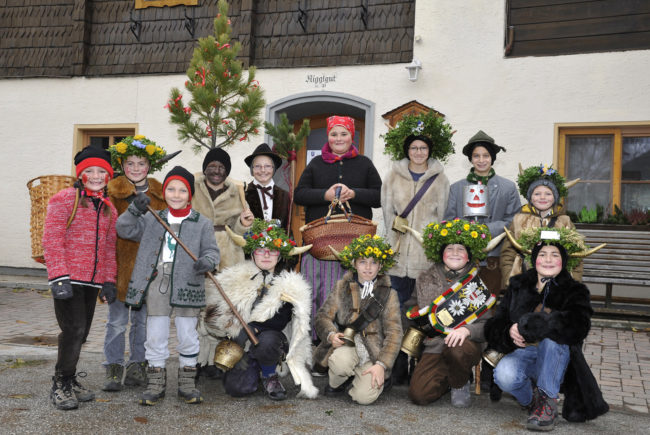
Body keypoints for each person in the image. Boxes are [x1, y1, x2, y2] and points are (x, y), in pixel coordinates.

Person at [485, 227, 608, 431]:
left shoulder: (574, 290)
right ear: (534, 259)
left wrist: (539, 324)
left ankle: (548, 402)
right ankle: (534, 402)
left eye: (555, 255)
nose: (548, 260)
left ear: (563, 260)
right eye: (542, 254)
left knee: (553, 340)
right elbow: (494, 324)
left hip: (557, 359)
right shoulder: (518, 285)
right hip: (523, 352)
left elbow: (579, 326)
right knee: (504, 375)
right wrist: (509, 331)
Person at [117, 166, 219, 406]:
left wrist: (209, 261)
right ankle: (156, 382)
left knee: (187, 334)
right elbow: (124, 229)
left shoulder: (201, 222)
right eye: (171, 189)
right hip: (157, 283)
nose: (176, 194)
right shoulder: (153, 217)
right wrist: (133, 210)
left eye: (182, 190)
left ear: (189, 194)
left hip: (188, 282)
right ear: (164, 192)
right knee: (156, 334)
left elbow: (212, 250)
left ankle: (186, 383)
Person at [202, 219, 318, 400]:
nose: (266, 255)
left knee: (268, 340)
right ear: (253, 253)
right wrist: (231, 329)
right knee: (238, 389)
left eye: (272, 251)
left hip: (270, 340)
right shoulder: (235, 277)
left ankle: (269, 375)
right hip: (240, 343)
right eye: (261, 250)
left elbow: (280, 319)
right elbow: (214, 314)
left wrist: (252, 329)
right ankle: (253, 368)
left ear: (279, 256)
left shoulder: (289, 283)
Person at [42, 144, 118, 410]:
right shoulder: (64, 199)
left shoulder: (109, 208)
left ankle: (70, 378)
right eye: (90, 171)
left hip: (92, 282)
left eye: (102, 171)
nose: (96, 176)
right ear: (80, 174)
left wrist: (109, 280)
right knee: (72, 330)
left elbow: (109, 248)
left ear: (109, 176)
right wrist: (59, 276)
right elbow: (52, 239)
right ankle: (60, 384)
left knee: (82, 333)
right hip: (68, 279)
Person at [294, 116, 382, 342]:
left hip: (355, 246)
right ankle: (318, 342)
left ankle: (353, 342)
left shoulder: (365, 164)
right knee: (318, 295)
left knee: (349, 296)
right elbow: (300, 194)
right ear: (328, 137)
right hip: (320, 247)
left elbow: (380, 196)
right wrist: (324, 195)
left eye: (343, 134)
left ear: (352, 136)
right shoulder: (315, 164)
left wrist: (355, 193)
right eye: (334, 134)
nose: (338, 138)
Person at [381, 120, 451, 384]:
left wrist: (434, 249)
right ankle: (396, 365)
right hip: (398, 256)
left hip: (425, 258)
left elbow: (443, 216)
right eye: (414, 147)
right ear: (407, 150)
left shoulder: (440, 179)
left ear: (429, 151)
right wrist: (394, 230)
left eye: (423, 148)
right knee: (396, 311)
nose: (418, 152)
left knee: (424, 313)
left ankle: (421, 366)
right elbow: (387, 210)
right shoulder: (392, 176)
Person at [102, 135, 169, 392]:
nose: (136, 168)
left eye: (141, 163)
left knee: (142, 323)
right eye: (130, 163)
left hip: (148, 271)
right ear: (122, 165)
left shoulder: (160, 194)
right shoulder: (113, 193)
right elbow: (111, 232)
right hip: (120, 268)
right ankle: (113, 366)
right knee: (117, 322)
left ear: (149, 166)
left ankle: (137, 365)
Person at [405, 219, 494, 408]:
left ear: (469, 256)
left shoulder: (478, 282)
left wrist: (467, 330)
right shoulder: (424, 278)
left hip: (465, 345)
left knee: (457, 350)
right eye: (450, 248)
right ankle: (451, 376)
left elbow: (489, 325)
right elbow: (412, 307)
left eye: (461, 249)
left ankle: (460, 383)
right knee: (419, 395)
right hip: (434, 344)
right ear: (441, 253)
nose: (455, 253)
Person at [313, 235, 402, 405]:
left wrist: (382, 365)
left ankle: (363, 379)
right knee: (340, 364)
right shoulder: (341, 287)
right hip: (348, 345)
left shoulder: (390, 294)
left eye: (373, 262)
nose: (368, 268)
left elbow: (395, 333)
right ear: (354, 264)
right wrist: (331, 335)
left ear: (381, 265)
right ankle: (337, 383)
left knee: (364, 398)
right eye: (362, 262)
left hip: (373, 353)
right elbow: (322, 316)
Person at [192, 147, 254, 378]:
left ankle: (217, 362)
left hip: (229, 253)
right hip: (198, 250)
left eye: (221, 167)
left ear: (226, 171)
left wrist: (244, 223)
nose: (216, 171)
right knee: (199, 310)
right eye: (212, 166)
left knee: (221, 309)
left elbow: (237, 228)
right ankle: (198, 361)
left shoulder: (236, 190)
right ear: (205, 168)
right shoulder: (194, 187)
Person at [444, 130, 521, 294]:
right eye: (476, 156)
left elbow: (514, 220)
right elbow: (448, 220)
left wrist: (487, 230)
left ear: (492, 158)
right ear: (470, 159)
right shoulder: (456, 188)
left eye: (485, 155)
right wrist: (466, 231)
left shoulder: (508, 187)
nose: (481, 160)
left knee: (488, 304)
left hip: (494, 257)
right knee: (461, 304)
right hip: (463, 259)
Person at [500, 164, 582, 288]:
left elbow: (576, 255)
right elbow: (508, 254)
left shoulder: (565, 221)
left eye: (548, 194)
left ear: (555, 197)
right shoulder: (518, 220)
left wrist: (573, 284)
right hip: (524, 283)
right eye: (537, 194)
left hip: (557, 285)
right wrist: (510, 279)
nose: (542, 197)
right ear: (530, 197)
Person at [244, 143, 291, 231]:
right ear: (252, 170)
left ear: (273, 169)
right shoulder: (243, 194)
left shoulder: (284, 195)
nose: (263, 170)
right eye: (257, 166)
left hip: (277, 243)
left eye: (267, 166)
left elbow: (287, 227)